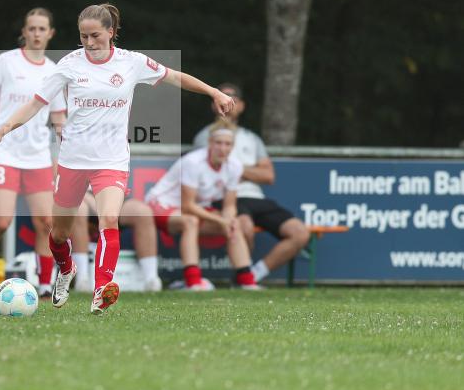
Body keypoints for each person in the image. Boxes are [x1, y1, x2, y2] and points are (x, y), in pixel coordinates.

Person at [0, 3, 234, 314]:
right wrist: (1, 130)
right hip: (72, 161)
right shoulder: (69, 65)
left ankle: (102, 289)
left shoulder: (132, 63)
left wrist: (214, 93)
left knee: (108, 219)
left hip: (111, 161)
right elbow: (35, 104)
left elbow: (175, 77)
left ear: (111, 32)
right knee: (58, 234)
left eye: (95, 36)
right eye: (83, 36)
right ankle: (66, 267)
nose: (89, 42)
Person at [0, 8, 67, 300]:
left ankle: (46, 285)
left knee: (46, 222)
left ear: (51, 33)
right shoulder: (6, 62)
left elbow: (59, 119)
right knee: (2, 221)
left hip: (37, 156)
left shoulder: (54, 71)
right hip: (3, 152)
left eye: (42, 29)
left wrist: (61, 157)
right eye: (31, 28)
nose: (36, 34)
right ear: (24, 32)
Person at [192, 83, 310, 283]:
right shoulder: (205, 136)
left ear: (241, 106)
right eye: (223, 96)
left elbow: (268, 176)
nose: (228, 102)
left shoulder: (252, 139)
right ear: (214, 104)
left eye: (233, 99)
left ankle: (254, 274)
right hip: (225, 198)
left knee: (300, 233)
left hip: (255, 197)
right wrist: (248, 171)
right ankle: (243, 275)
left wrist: (237, 169)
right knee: (243, 225)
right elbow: (213, 172)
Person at [145, 120, 260, 290]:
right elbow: (187, 206)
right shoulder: (193, 162)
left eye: (227, 144)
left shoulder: (235, 166)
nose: (223, 148)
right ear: (210, 143)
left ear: (232, 146)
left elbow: (229, 205)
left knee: (236, 224)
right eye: (218, 143)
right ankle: (193, 282)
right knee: (190, 221)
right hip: (160, 204)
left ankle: (246, 281)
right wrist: (221, 221)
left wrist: (228, 219)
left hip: (192, 209)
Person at [72, 193, 163, 292]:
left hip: (112, 196)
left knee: (143, 212)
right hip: (79, 197)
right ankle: (82, 279)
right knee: (79, 209)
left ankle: (151, 279)